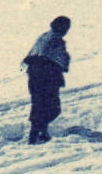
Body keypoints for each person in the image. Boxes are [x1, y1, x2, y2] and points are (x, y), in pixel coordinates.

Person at [22, 16, 71, 145]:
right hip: (47, 77)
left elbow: (31, 57)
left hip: (34, 76)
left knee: (39, 106)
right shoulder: (56, 41)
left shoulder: (43, 37)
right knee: (52, 108)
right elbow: (60, 59)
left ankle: (37, 135)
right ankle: (38, 134)